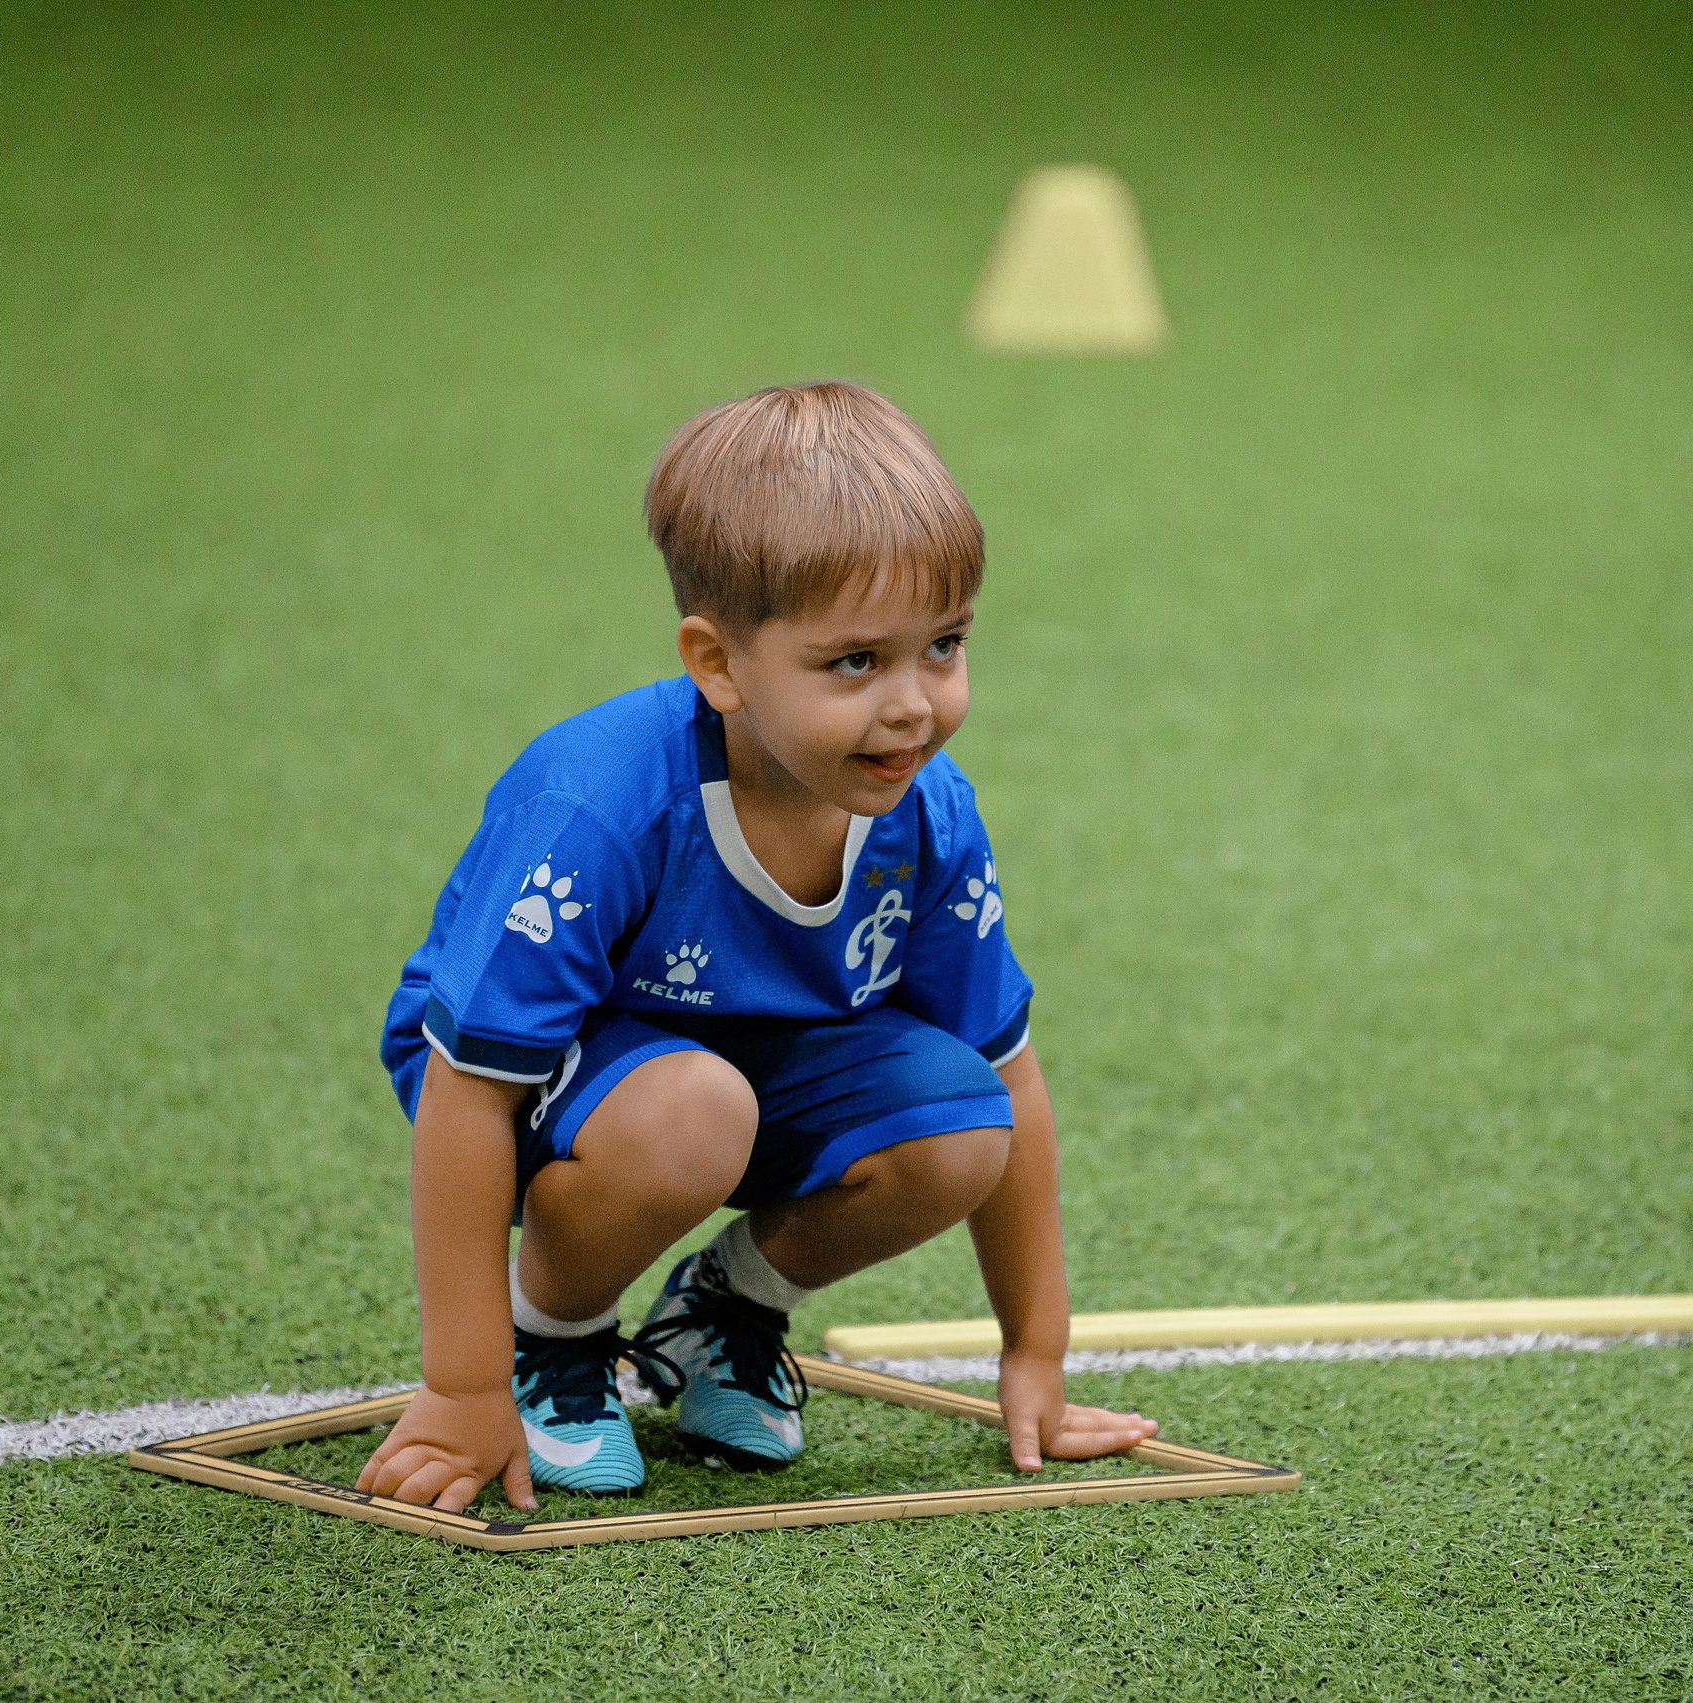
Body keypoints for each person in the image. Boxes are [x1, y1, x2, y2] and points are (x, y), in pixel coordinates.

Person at [359, 381, 1156, 1511]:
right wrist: (463, 1382)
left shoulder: (929, 813)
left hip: (764, 1051)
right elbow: (466, 1090)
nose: (913, 705)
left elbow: (1012, 1077)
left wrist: (1036, 1352)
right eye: (854, 662)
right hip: (543, 1080)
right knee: (696, 1113)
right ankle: (557, 1335)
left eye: (943, 645)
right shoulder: (599, 804)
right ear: (717, 664)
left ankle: (723, 1307)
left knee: (962, 1119)